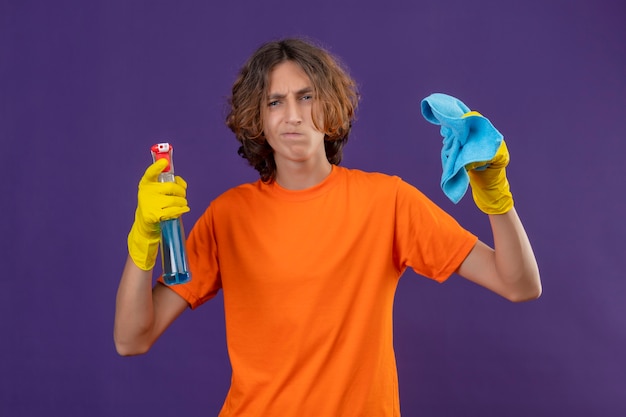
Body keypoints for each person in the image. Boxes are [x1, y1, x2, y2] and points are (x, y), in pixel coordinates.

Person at [114, 38, 541, 416]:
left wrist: (494, 195)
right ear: (257, 118)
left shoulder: (387, 201)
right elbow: (131, 339)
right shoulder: (228, 216)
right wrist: (143, 244)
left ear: (331, 107)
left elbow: (519, 284)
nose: (293, 116)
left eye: (307, 97)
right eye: (274, 102)